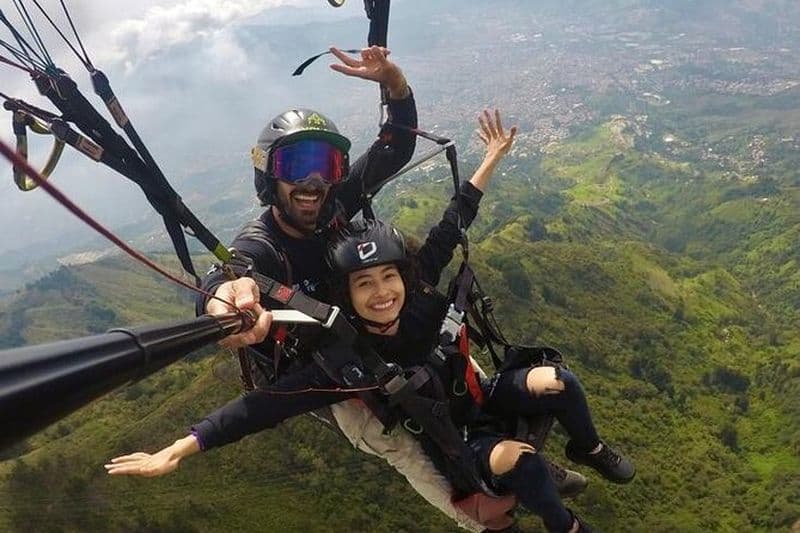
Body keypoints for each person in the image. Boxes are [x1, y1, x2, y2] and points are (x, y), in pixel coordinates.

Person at [104, 99, 581, 530]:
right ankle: (487, 518)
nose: (314, 182)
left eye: (326, 166)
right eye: (296, 165)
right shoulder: (262, 244)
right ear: (268, 175)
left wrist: (393, 85)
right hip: (339, 368)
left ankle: (524, 465)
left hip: (386, 332)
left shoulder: (334, 206)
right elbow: (228, 283)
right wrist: (225, 300)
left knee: (463, 383)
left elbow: (398, 154)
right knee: (405, 445)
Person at [322, 110, 636, 532]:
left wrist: (491, 158)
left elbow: (452, 224)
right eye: (365, 285)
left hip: (481, 394)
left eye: (388, 277)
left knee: (561, 381)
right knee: (522, 461)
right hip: (460, 441)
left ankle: (589, 448)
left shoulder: (416, 296)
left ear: (403, 275)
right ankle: (565, 525)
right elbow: (274, 398)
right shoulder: (355, 349)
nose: (381, 294)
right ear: (348, 296)